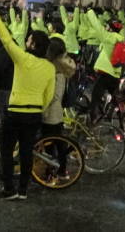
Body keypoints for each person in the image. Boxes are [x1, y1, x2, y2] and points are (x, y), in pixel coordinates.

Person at [0, 14, 54, 200]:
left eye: (28, 40)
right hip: (34, 113)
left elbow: (6, 39)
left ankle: (9, 188)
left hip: (15, 112)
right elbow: (48, 95)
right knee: (27, 151)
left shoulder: (23, 58)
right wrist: (40, 108)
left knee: (7, 150)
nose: (26, 41)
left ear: (33, 45)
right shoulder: (50, 67)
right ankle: (23, 190)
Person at [42, 37, 76, 184]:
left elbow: (55, 96)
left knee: (50, 144)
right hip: (54, 112)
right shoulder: (58, 67)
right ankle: (61, 170)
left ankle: (53, 172)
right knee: (58, 142)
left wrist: (41, 107)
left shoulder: (57, 71)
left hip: (51, 113)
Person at [87, 9, 124, 122]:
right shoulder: (121, 39)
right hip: (116, 74)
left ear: (110, 28)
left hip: (107, 74)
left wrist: (89, 11)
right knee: (115, 100)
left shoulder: (108, 37)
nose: (105, 28)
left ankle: (93, 120)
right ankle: (123, 122)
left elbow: (96, 25)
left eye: (106, 26)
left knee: (95, 97)